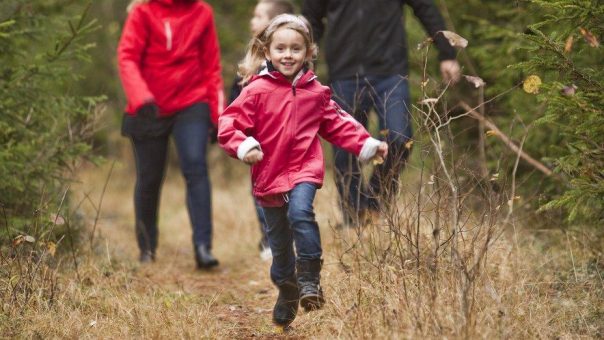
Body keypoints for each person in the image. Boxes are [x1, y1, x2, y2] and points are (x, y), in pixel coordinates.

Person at [218, 14, 388, 327]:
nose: (288, 55)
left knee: (300, 213)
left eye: (296, 49)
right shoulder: (255, 90)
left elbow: (338, 124)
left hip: (304, 170)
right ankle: (287, 289)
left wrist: (367, 143)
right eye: (281, 48)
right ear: (267, 52)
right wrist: (244, 146)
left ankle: (310, 279)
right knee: (280, 252)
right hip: (269, 175)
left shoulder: (316, 92)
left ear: (308, 52)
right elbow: (228, 124)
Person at [302, 0, 462, 224]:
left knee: (400, 139)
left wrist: (447, 53)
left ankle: (374, 202)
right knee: (345, 149)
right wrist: (306, 60)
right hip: (344, 73)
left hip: (390, 72)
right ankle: (354, 216)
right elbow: (310, 20)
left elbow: (425, 7)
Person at [117, 0, 224, 269]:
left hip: (192, 100)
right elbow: (127, 56)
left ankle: (203, 246)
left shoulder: (202, 12)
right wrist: (141, 98)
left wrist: (218, 116)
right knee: (150, 177)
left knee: (196, 166)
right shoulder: (143, 11)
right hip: (149, 104)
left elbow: (211, 67)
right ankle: (147, 248)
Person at [228, 0, 295, 261]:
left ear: (274, 23)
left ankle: (287, 235)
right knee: (260, 188)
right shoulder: (250, 61)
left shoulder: (291, 63)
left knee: (288, 189)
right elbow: (236, 99)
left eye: (258, 16)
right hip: (257, 141)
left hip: (286, 140)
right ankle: (269, 238)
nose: (252, 21)